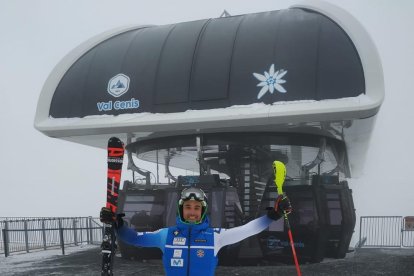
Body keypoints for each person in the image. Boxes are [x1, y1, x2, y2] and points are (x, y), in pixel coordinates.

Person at [100, 187, 291, 276]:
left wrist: (273, 215)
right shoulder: (166, 235)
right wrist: (117, 224)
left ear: (203, 211)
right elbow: (134, 238)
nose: (192, 212)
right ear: (181, 210)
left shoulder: (215, 236)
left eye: (197, 208)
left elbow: (247, 230)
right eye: (188, 207)